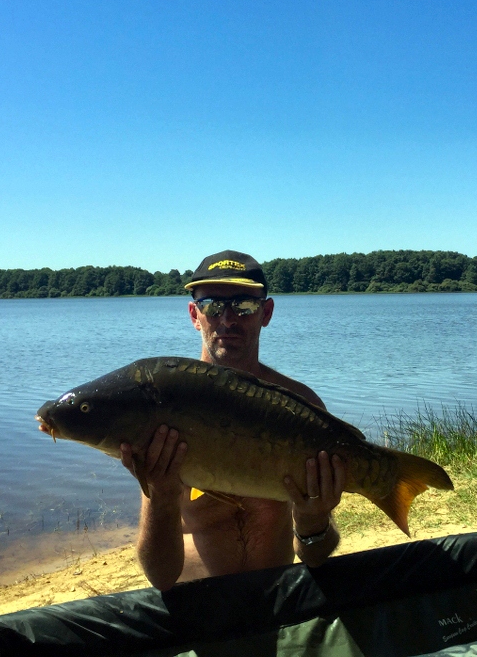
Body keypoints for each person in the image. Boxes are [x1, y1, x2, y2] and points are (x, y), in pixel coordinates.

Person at [119, 250, 346, 590]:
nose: (227, 319)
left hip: (276, 599)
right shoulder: (166, 409)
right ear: (195, 315)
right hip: (197, 608)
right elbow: (160, 577)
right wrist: (162, 499)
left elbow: (315, 556)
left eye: (244, 305)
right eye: (212, 305)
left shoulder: (300, 409)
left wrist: (313, 522)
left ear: (265, 312)